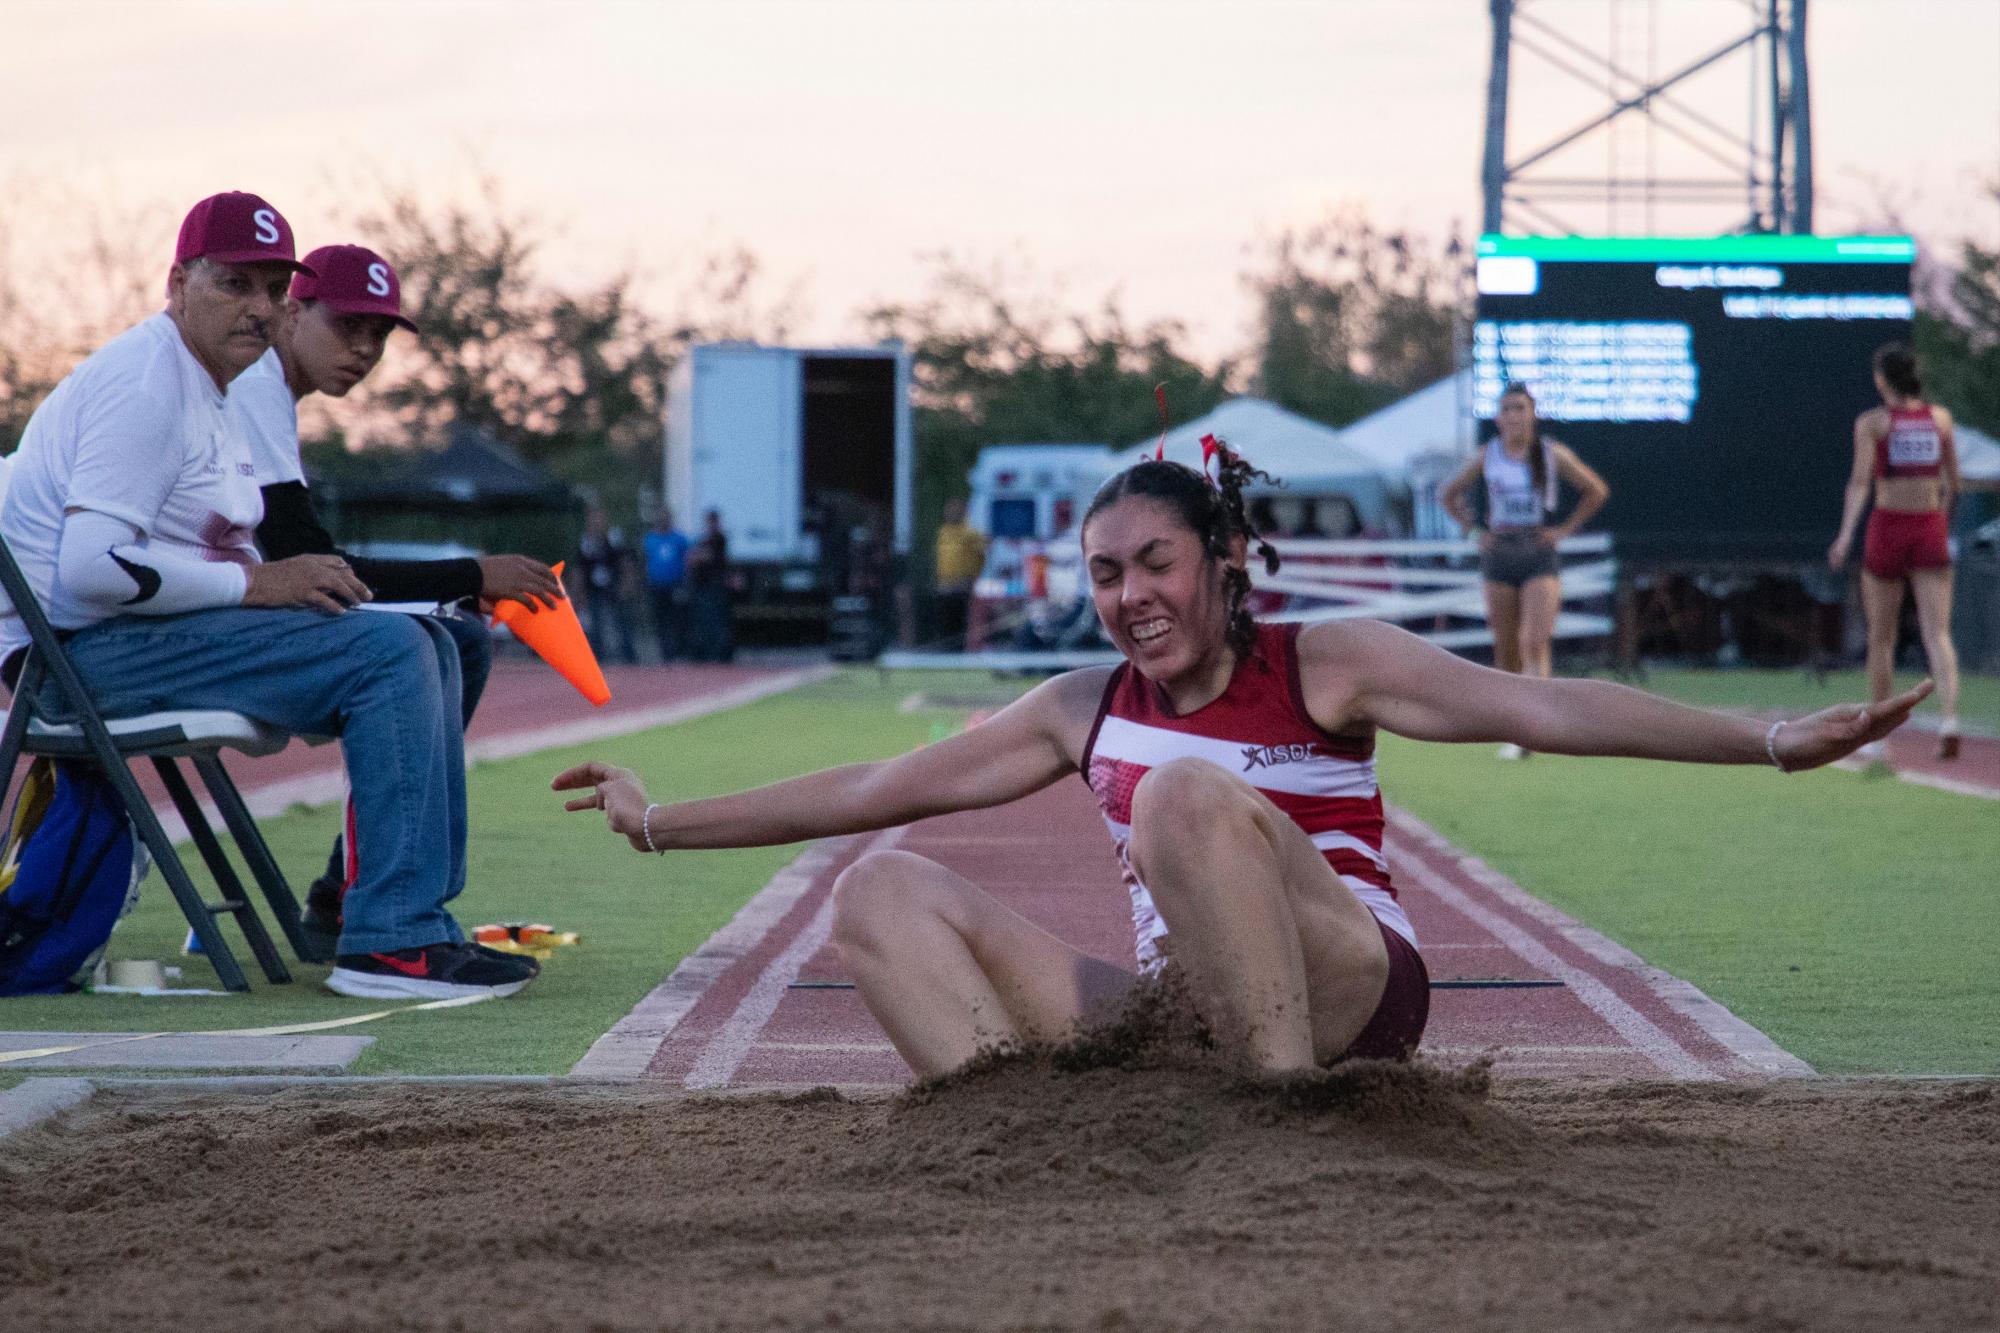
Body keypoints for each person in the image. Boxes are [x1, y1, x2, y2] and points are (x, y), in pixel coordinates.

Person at [554, 449, 1924, 1082]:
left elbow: (1544, 703)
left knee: (1189, 795)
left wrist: (1765, 738)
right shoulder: (1076, 703)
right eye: (1104, 574)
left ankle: (1275, 1120)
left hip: (1343, 992)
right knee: (882, 890)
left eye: (1154, 563)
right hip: (1175, 1014)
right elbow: (866, 793)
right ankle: (1014, 1133)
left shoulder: (1328, 663)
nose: (1130, 594)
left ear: (1219, 561)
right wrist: (660, 820)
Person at [0, 191, 535, 1000]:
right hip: (74, 656)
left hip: (124, 637)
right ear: (178, 281)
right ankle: (389, 940)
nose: (258, 308)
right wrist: (260, 583)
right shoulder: (148, 385)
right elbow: (90, 570)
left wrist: (288, 586)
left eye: (271, 289)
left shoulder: (212, 383)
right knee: (392, 652)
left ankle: (408, 923)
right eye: (234, 284)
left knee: (429, 638)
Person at [229, 243, 563, 952]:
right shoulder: (254, 383)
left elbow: (298, 562)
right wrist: (471, 575)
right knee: (432, 643)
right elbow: (305, 562)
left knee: (452, 635)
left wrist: (459, 583)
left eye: (379, 333)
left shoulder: (267, 389)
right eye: (348, 325)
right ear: (293, 312)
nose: (366, 348)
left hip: (188, 611)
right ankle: (371, 909)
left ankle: (350, 896)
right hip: (138, 631)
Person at [1440, 382, 1610, 759]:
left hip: (1537, 550)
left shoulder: (1551, 454)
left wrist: (1564, 530)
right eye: (1507, 409)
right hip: (1500, 551)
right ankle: (1514, 728)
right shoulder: (1488, 456)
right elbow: (1447, 494)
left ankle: (1542, 728)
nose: (1514, 416)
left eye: (1520, 408)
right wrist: (1473, 532)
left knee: (1534, 638)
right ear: (1499, 418)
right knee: (1505, 646)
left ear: (1532, 415)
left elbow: (1595, 490)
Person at [1827, 344, 1962, 760]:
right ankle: (1950, 718)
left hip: (1888, 524)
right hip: (1929, 525)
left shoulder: (1874, 423)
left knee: (1881, 637)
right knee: (1937, 633)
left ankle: (1880, 738)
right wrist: (1943, 522)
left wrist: (1846, 534)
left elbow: (1860, 483)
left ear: (1881, 379)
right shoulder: (1939, 419)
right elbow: (1953, 483)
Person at [575, 506, 639, 665]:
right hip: (594, 589)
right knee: (595, 623)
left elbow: (626, 562)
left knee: (621, 622)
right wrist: (579, 592)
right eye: (593, 519)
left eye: (599, 518)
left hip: (613, 587)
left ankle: (629, 657)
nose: (596, 522)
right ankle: (598, 658)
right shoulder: (585, 543)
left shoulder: (613, 539)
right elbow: (579, 569)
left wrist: (627, 584)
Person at [931, 498, 986, 649]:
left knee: (961, 618)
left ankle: (960, 649)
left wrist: (973, 576)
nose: (950, 514)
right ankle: (943, 648)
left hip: (962, 583)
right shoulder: (943, 531)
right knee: (944, 618)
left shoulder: (970, 533)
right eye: (948, 510)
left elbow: (984, 552)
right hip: (944, 584)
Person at [642, 506, 691, 663]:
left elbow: (687, 559)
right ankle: (665, 654)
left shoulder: (679, 539)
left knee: (677, 620)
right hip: (657, 586)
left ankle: (678, 652)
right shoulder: (651, 539)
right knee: (660, 620)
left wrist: (685, 581)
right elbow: (645, 561)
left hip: (674, 585)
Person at [686, 508, 734, 662]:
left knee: (716, 621)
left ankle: (720, 655)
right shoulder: (706, 539)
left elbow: (705, 556)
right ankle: (707, 653)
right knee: (705, 621)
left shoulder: (719, 538)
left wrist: (697, 556)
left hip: (715, 585)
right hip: (704, 585)